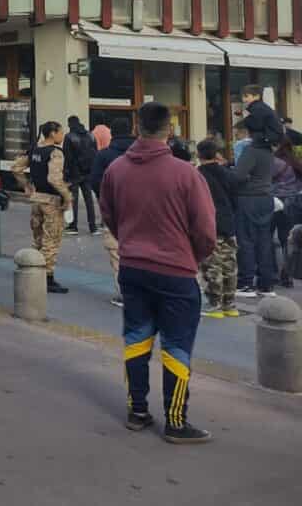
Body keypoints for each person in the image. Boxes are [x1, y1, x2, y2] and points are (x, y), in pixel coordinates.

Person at [100, 102, 215, 444]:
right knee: (176, 344)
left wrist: (130, 242)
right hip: (176, 271)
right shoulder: (186, 174)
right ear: (170, 130)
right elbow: (206, 231)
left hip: (133, 266)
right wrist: (192, 256)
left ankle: (137, 410)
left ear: (137, 127)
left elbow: (109, 215)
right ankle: (176, 421)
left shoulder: (116, 170)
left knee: (136, 338)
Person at [11, 121, 73, 294]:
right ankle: (47, 278)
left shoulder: (35, 150)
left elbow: (16, 168)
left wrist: (26, 186)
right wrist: (67, 197)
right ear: (53, 133)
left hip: (37, 199)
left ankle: (31, 272)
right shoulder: (55, 152)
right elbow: (54, 179)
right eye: (61, 132)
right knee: (51, 240)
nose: (63, 136)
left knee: (38, 239)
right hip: (52, 201)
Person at [90, 116, 135, 307]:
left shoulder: (104, 155)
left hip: (115, 210)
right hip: (145, 209)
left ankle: (125, 294)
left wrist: (105, 200)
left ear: (112, 133)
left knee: (117, 252)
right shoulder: (142, 152)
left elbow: (95, 181)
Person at [232, 116, 278, 298]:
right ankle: (266, 285)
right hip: (266, 198)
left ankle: (246, 284)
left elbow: (239, 176)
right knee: (264, 242)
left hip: (248, 199)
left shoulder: (250, 151)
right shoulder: (268, 151)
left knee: (246, 242)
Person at [196, 138, 240, 319]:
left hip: (209, 224)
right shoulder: (227, 173)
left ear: (199, 155)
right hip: (228, 223)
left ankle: (214, 303)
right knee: (230, 263)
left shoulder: (198, 175)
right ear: (216, 154)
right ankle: (229, 304)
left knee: (212, 264)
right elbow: (235, 198)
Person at [271, 142, 302, 289]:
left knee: (269, 238)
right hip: (292, 203)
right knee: (286, 239)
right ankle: (287, 275)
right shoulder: (295, 162)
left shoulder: (275, 162)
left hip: (275, 202)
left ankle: (273, 273)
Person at [63, 115, 99, 236]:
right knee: (89, 200)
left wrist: (66, 174)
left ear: (70, 124)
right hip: (88, 172)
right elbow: (96, 152)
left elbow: (67, 158)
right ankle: (93, 227)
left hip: (74, 173)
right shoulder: (90, 135)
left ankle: (73, 226)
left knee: (73, 200)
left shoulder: (69, 137)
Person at [241, 84, 283, 148]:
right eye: (243, 97)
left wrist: (246, 116)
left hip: (267, 139)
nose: (244, 99)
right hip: (270, 138)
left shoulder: (257, 108)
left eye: (246, 96)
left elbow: (256, 125)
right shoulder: (259, 106)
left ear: (257, 96)